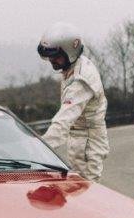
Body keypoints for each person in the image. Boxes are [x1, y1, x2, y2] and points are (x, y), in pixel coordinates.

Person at [37, 26, 109, 181]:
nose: (52, 61)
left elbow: (63, 121)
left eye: (56, 56)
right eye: (50, 57)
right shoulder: (72, 67)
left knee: (87, 189)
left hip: (87, 144)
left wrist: (38, 149)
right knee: (77, 188)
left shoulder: (81, 80)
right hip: (79, 139)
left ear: (70, 52)